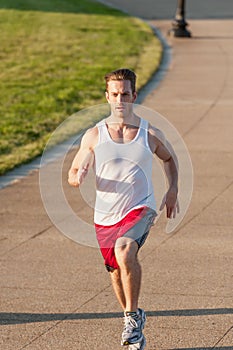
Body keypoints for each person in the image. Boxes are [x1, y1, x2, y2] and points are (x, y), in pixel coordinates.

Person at [68, 68, 179, 349]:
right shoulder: (93, 136)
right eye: (115, 94)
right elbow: (75, 167)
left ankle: (131, 318)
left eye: (125, 94)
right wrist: (78, 174)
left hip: (140, 208)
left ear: (134, 95)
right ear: (107, 96)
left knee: (125, 249)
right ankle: (134, 319)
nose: (120, 100)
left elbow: (168, 159)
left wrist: (173, 189)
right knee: (115, 271)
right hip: (105, 216)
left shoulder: (148, 132)